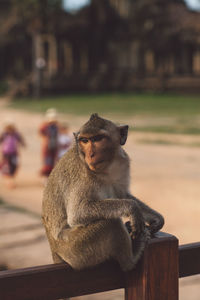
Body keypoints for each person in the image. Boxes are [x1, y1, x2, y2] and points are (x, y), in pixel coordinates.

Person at [0, 119, 25, 188]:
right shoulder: (4, 134)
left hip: (14, 153)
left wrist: (23, 144)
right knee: (7, 168)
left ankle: (11, 180)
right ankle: (10, 182)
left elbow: (21, 141)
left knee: (14, 166)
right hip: (6, 154)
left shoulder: (16, 134)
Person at [39, 108, 59, 177]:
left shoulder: (56, 126)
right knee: (47, 162)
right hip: (47, 147)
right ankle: (45, 176)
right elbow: (41, 134)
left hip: (54, 146)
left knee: (53, 162)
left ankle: (50, 176)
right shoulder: (44, 126)